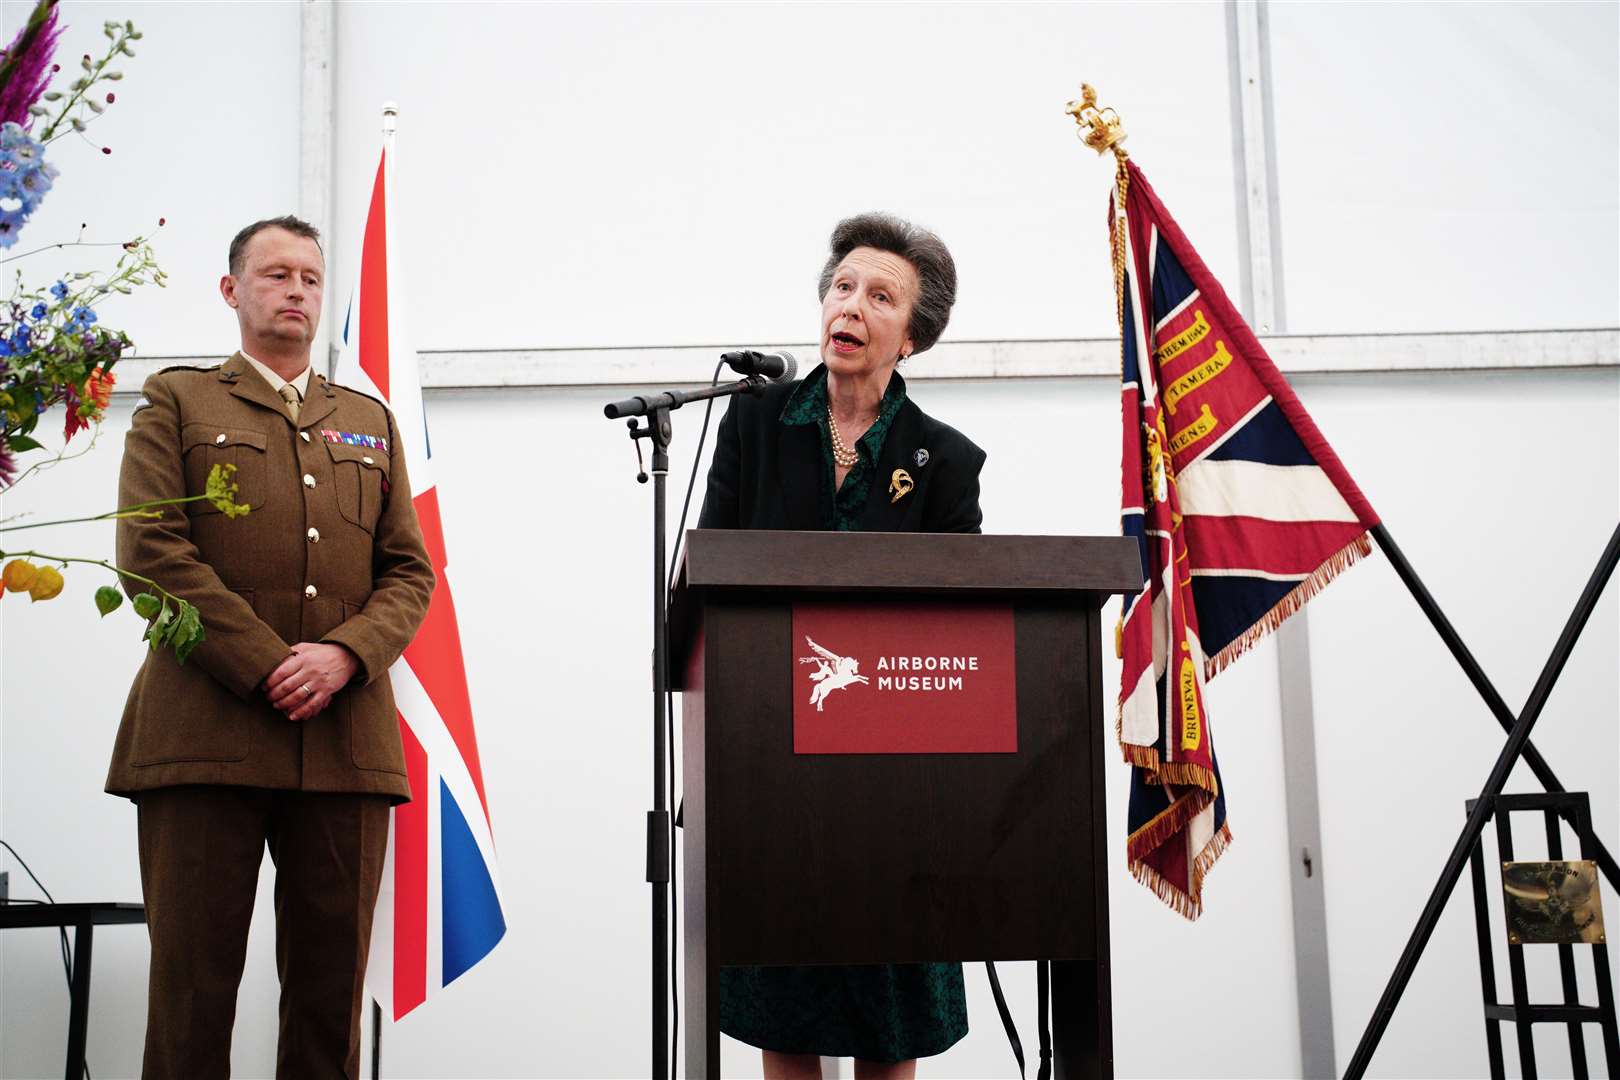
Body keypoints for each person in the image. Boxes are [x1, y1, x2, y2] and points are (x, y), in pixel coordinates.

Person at [106, 215, 435, 1078]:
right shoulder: (178, 401)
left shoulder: (369, 420)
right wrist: (269, 664)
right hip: (203, 737)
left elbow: (410, 575)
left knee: (330, 1007)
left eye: (311, 278)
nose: (296, 291)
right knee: (192, 1001)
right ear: (232, 290)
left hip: (344, 746)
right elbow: (149, 553)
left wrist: (344, 656)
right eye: (276, 274)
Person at [698, 212, 985, 1079]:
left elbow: (957, 629)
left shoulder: (946, 460)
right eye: (842, 286)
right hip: (771, 770)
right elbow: (709, 579)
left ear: (913, 334)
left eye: (880, 295)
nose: (851, 305)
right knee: (785, 1014)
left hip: (895, 783)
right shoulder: (751, 426)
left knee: (883, 1019)